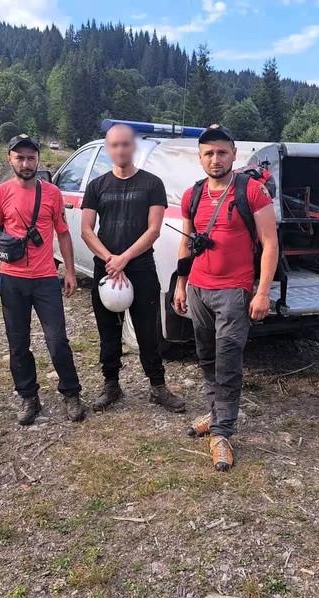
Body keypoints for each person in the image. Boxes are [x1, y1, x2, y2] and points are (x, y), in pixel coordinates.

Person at [173, 125, 279, 471]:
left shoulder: (252, 192)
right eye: (208, 153)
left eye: (221, 152)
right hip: (199, 289)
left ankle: (221, 433)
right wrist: (180, 283)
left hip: (235, 291)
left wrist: (261, 292)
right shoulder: (193, 195)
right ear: (200, 157)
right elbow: (186, 242)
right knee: (206, 357)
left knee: (228, 360)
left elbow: (269, 245)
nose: (215, 159)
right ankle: (215, 411)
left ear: (234, 154)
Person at [0, 134, 84, 424]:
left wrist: (71, 272)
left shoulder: (51, 193)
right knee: (18, 342)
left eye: (31, 157)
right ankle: (28, 396)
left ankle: (71, 393)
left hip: (46, 279)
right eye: (20, 157)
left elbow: (63, 233)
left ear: (38, 160)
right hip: (11, 280)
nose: (26, 163)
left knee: (57, 340)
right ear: (9, 159)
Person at [81, 123, 185, 413]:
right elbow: (87, 230)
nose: (120, 150)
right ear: (108, 148)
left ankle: (158, 386)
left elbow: (153, 230)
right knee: (107, 330)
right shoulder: (96, 186)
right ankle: (111, 385)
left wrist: (123, 258)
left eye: (125, 144)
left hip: (140, 269)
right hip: (106, 270)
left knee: (147, 331)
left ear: (133, 147)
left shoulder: (152, 184)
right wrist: (109, 259)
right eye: (114, 145)